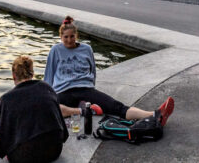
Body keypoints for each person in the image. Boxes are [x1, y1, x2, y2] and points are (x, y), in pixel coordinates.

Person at [45, 17, 175, 126]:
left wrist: (92, 90)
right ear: (61, 37)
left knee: (116, 106)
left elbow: (93, 71)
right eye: (66, 37)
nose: (69, 40)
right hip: (63, 91)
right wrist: (48, 95)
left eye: (72, 36)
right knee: (50, 108)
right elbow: (49, 76)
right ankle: (82, 110)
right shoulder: (55, 50)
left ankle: (155, 114)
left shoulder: (86, 49)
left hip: (85, 89)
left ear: (76, 35)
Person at [0, 56, 68, 162]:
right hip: (54, 150)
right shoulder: (47, 88)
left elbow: (4, 138)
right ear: (33, 73)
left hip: (24, 157)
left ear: (13, 76)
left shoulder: (6, 99)